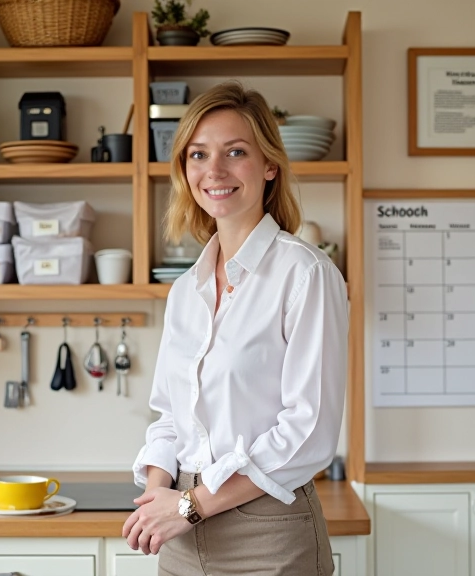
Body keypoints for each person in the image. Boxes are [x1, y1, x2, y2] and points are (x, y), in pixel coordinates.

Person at [123, 81, 348, 576]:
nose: (214, 171)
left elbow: (308, 429)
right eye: (198, 154)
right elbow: (168, 417)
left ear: (269, 166)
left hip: (267, 533)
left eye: (236, 151)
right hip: (180, 533)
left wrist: (190, 504)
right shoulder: (186, 290)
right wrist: (159, 492)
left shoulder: (305, 273)